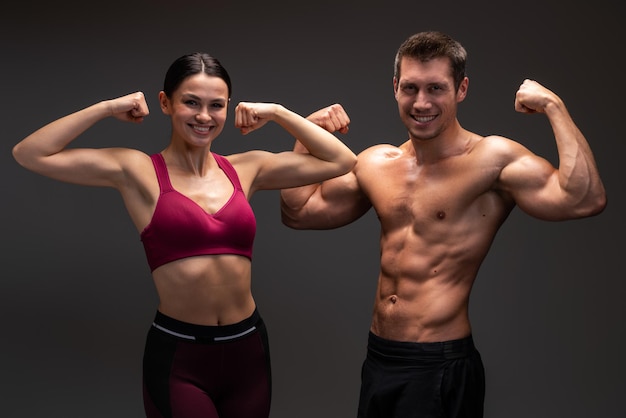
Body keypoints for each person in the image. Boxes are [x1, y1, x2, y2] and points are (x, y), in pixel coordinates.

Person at [280, 31, 607, 418]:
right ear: (395, 88)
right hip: (380, 359)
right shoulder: (377, 162)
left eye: (436, 88)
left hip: (440, 364)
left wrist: (555, 106)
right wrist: (306, 135)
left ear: (461, 89)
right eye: (411, 88)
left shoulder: (492, 158)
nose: (422, 102)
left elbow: (584, 199)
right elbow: (297, 212)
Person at [12, 52, 356, 418]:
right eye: (191, 103)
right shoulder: (137, 171)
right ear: (166, 103)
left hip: (248, 349)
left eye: (216, 106)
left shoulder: (246, 168)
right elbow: (30, 153)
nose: (204, 117)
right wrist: (107, 107)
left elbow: (342, 160)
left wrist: (277, 113)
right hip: (181, 355)